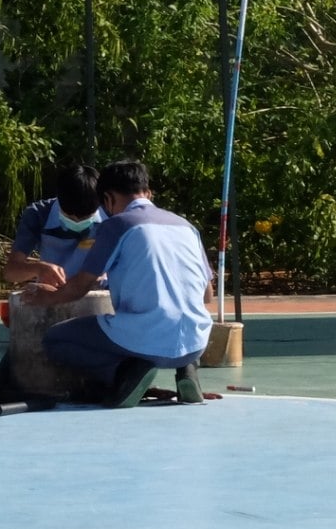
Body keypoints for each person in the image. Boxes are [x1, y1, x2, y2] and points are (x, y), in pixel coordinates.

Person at [22, 160, 212, 408]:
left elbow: (78, 287)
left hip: (146, 340)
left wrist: (44, 297)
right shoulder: (186, 226)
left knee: (56, 340)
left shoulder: (117, 225)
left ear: (108, 198)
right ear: (148, 192)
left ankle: (128, 372)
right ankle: (186, 369)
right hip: (197, 343)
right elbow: (207, 294)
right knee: (167, 326)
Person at [3, 165, 106, 287]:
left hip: (100, 296)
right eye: (69, 216)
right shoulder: (38, 215)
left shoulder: (113, 215)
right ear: (59, 200)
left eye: (85, 217)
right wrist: (38, 269)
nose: (77, 222)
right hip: (53, 295)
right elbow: (10, 272)